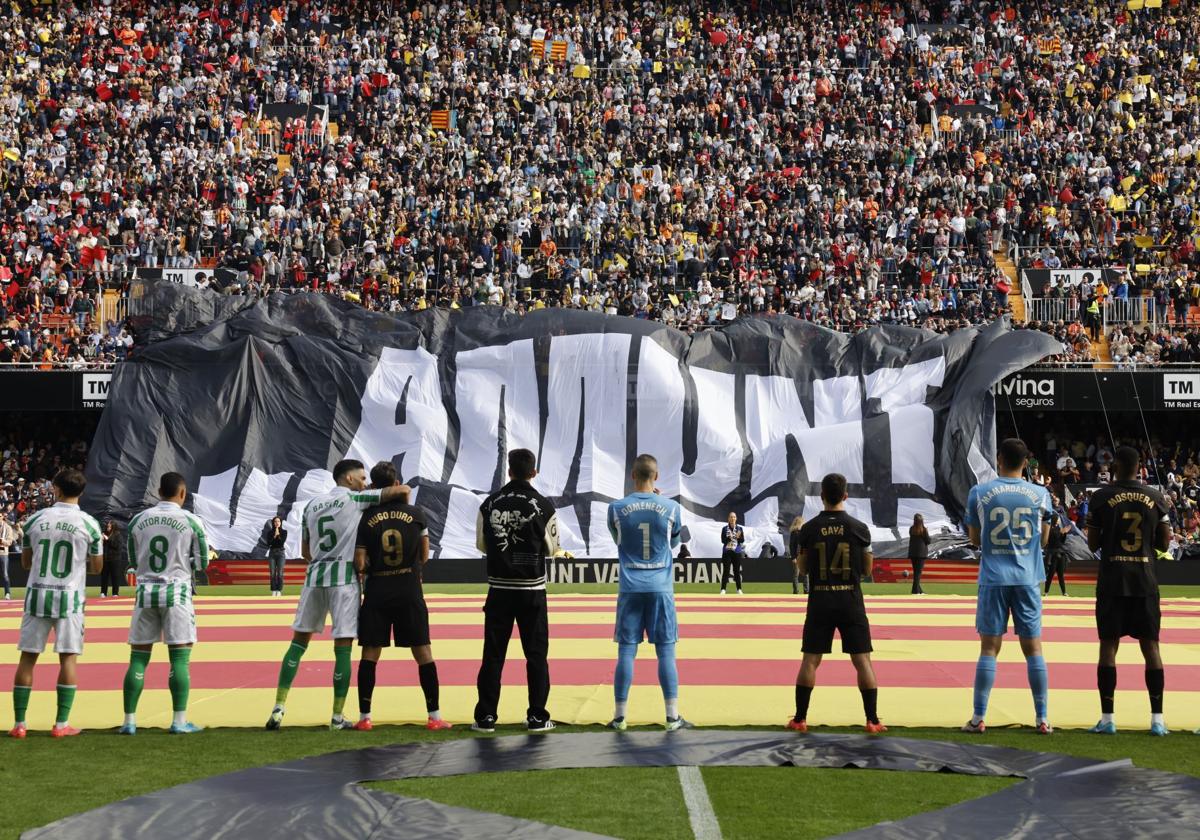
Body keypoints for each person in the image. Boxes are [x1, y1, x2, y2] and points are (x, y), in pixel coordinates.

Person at [265, 459, 409, 731]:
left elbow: (306, 551)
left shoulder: (311, 506)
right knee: (342, 647)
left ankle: (279, 707)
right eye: (363, 478)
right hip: (343, 579)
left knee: (298, 643)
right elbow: (400, 492)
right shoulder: (356, 499)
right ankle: (336, 716)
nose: (366, 483)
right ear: (350, 479)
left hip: (314, 578)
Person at [961, 438, 1054, 735]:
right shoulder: (1040, 494)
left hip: (993, 578)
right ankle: (1042, 718)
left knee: (989, 648)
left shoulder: (980, 492)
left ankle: (978, 717)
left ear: (998, 458)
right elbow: (1045, 540)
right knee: (1034, 649)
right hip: (1027, 577)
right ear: (1026, 462)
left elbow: (975, 540)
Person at [352, 462, 451, 732]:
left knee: (370, 654)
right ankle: (434, 716)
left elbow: (360, 563)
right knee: (423, 653)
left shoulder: (367, 517)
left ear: (373, 485)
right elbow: (425, 555)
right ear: (396, 482)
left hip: (377, 590)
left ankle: (365, 717)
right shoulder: (416, 513)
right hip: (408, 587)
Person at [787, 473, 885, 733]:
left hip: (820, 598)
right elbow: (866, 570)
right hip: (850, 598)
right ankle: (872, 720)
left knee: (810, 660)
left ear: (821, 497)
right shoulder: (859, 528)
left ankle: (800, 718)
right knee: (862, 660)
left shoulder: (808, 529)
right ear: (845, 495)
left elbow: (804, 569)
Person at [9, 469, 103, 738]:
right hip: (70, 598)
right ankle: (61, 724)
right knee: (68, 659)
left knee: (27, 658)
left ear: (56, 490)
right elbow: (97, 568)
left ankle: (19, 724)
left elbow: (25, 563)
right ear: (81, 492)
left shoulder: (36, 520)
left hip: (38, 594)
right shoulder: (89, 524)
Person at [1086, 446, 1172, 736]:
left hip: (1112, 581)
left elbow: (1091, 544)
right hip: (1144, 582)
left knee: (1108, 647)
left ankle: (1108, 718)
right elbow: (1164, 544)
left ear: (1116, 466)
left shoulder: (1101, 497)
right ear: (1139, 466)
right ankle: (1157, 720)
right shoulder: (1156, 498)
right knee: (1151, 648)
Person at [472, 449, 560, 733]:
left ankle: (485, 717)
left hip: (498, 589)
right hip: (532, 591)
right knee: (536, 655)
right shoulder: (544, 506)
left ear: (509, 470)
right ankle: (537, 716)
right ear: (533, 472)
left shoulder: (489, 504)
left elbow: (482, 546)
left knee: (493, 655)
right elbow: (553, 549)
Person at [119, 472, 209, 735]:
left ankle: (129, 721)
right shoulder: (191, 521)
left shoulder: (139, 520)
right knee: (179, 658)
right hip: (176, 591)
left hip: (145, 591)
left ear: (159, 491)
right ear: (182, 494)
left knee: (138, 658)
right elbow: (202, 563)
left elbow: (133, 562)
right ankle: (179, 721)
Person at [607, 453, 691, 731]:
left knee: (626, 653)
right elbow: (675, 542)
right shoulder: (671, 508)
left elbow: (619, 541)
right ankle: (672, 716)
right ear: (656, 476)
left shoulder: (616, 508)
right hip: (660, 589)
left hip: (630, 588)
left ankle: (619, 717)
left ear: (632, 475)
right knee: (666, 653)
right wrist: (658, 503)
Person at [1043, 504, 1072, 597]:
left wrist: (1064, 534)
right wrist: (1061, 532)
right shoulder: (1051, 530)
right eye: (1058, 519)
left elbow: (1061, 542)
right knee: (1051, 574)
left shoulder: (1059, 529)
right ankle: (1046, 591)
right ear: (1055, 520)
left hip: (1060, 553)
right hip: (1053, 553)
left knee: (1060, 574)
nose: (1059, 520)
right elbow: (1051, 540)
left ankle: (1064, 592)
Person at [719, 512, 746, 595]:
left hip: (736, 551)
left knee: (737, 571)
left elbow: (742, 540)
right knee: (726, 571)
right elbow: (722, 540)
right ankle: (723, 589)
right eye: (731, 517)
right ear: (728, 518)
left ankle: (739, 589)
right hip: (727, 551)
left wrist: (739, 537)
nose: (732, 518)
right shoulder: (724, 528)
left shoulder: (739, 529)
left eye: (734, 517)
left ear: (736, 518)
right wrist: (728, 538)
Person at [100, 520, 124, 598]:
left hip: (115, 559)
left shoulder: (118, 535)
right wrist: (101, 540)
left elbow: (117, 546)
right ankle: (103, 592)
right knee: (104, 577)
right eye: (107, 526)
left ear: (113, 527)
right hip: (105, 559)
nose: (108, 528)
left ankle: (115, 593)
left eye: (109, 526)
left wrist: (108, 539)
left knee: (115, 576)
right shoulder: (105, 534)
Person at [908, 514, 930, 595]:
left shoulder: (911, 529)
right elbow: (928, 541)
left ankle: (919, 590)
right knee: (918, 573)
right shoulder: (924, 530)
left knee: (916, 572)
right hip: (921, 554)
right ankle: (915, 590)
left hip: (913, 553)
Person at [266, 516, 288, 597]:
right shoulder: (270, 533)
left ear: (281, 522)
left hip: (281, 553)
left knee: (280, 573)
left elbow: (281, 542)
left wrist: (278, 535)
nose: (277, 523)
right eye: (275, 521)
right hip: (272, 553)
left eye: (278, 521)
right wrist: (274, 536)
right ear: (273, 523)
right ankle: (274, 590)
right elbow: (269, 543)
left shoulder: (284, 532)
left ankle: (279, 590)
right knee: (272, 573)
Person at [788, 515, 807, 595]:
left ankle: (806, 590)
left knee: (804, 574)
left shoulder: (802, 532)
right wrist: (793, 557)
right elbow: (792, 545)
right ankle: (796, 591)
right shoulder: (795, 533)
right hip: (798, 556)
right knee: (797, 574)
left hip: (803, 556)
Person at [0, 517, 15, 600]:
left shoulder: (8, 528)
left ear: (3, 518)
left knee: (5, 574)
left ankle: (7, 593)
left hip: (3, 553)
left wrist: (2, 541)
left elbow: (9, 542)